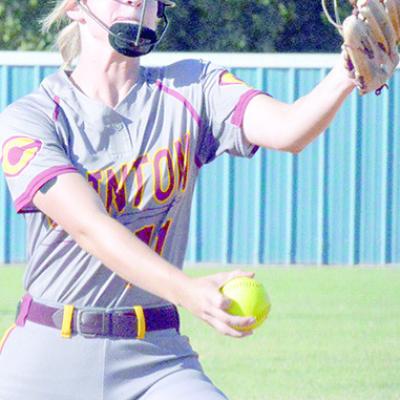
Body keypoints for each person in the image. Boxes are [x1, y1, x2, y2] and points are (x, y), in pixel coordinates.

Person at [0, 0, 355, 399]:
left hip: (156, 359)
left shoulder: (193, 85)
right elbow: (89, 226)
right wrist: (187, 290)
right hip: (47, 358)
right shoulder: (31, 118)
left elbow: (289, 129)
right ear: (75, 8)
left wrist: (348, 70)